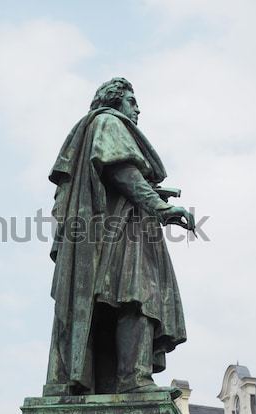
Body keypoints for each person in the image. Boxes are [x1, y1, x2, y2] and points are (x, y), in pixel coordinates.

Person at [43, 78, 195, 397]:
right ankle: (134, 379)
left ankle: (124, 380)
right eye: (132, 100)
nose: (137, 107)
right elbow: (120, 171)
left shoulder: (98, 127)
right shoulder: (109, 121)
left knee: (132, 296)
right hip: (121, 230)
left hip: (120, 226)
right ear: (115, 101)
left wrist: (154, 194)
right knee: (139, 294)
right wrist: (160, 206)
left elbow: (118, 175)